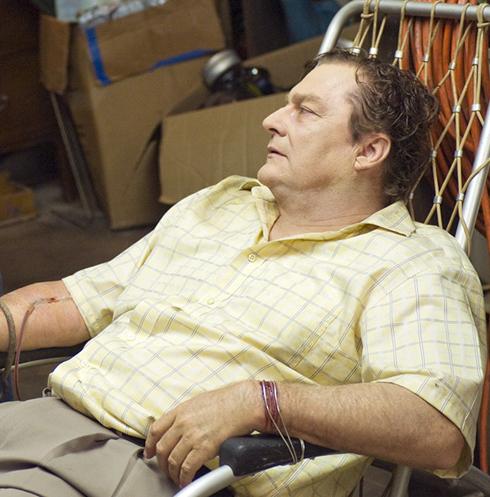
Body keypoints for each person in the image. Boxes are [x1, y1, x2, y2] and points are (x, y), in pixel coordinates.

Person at [0, 49, 486, 497]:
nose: (271, 120)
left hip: (147, 469)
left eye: (305, 111)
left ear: (368, 151)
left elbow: (436, 427)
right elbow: (75, 300)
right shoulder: (220, 205)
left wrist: (262, 403)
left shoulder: (412, 262)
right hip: (37, 423)